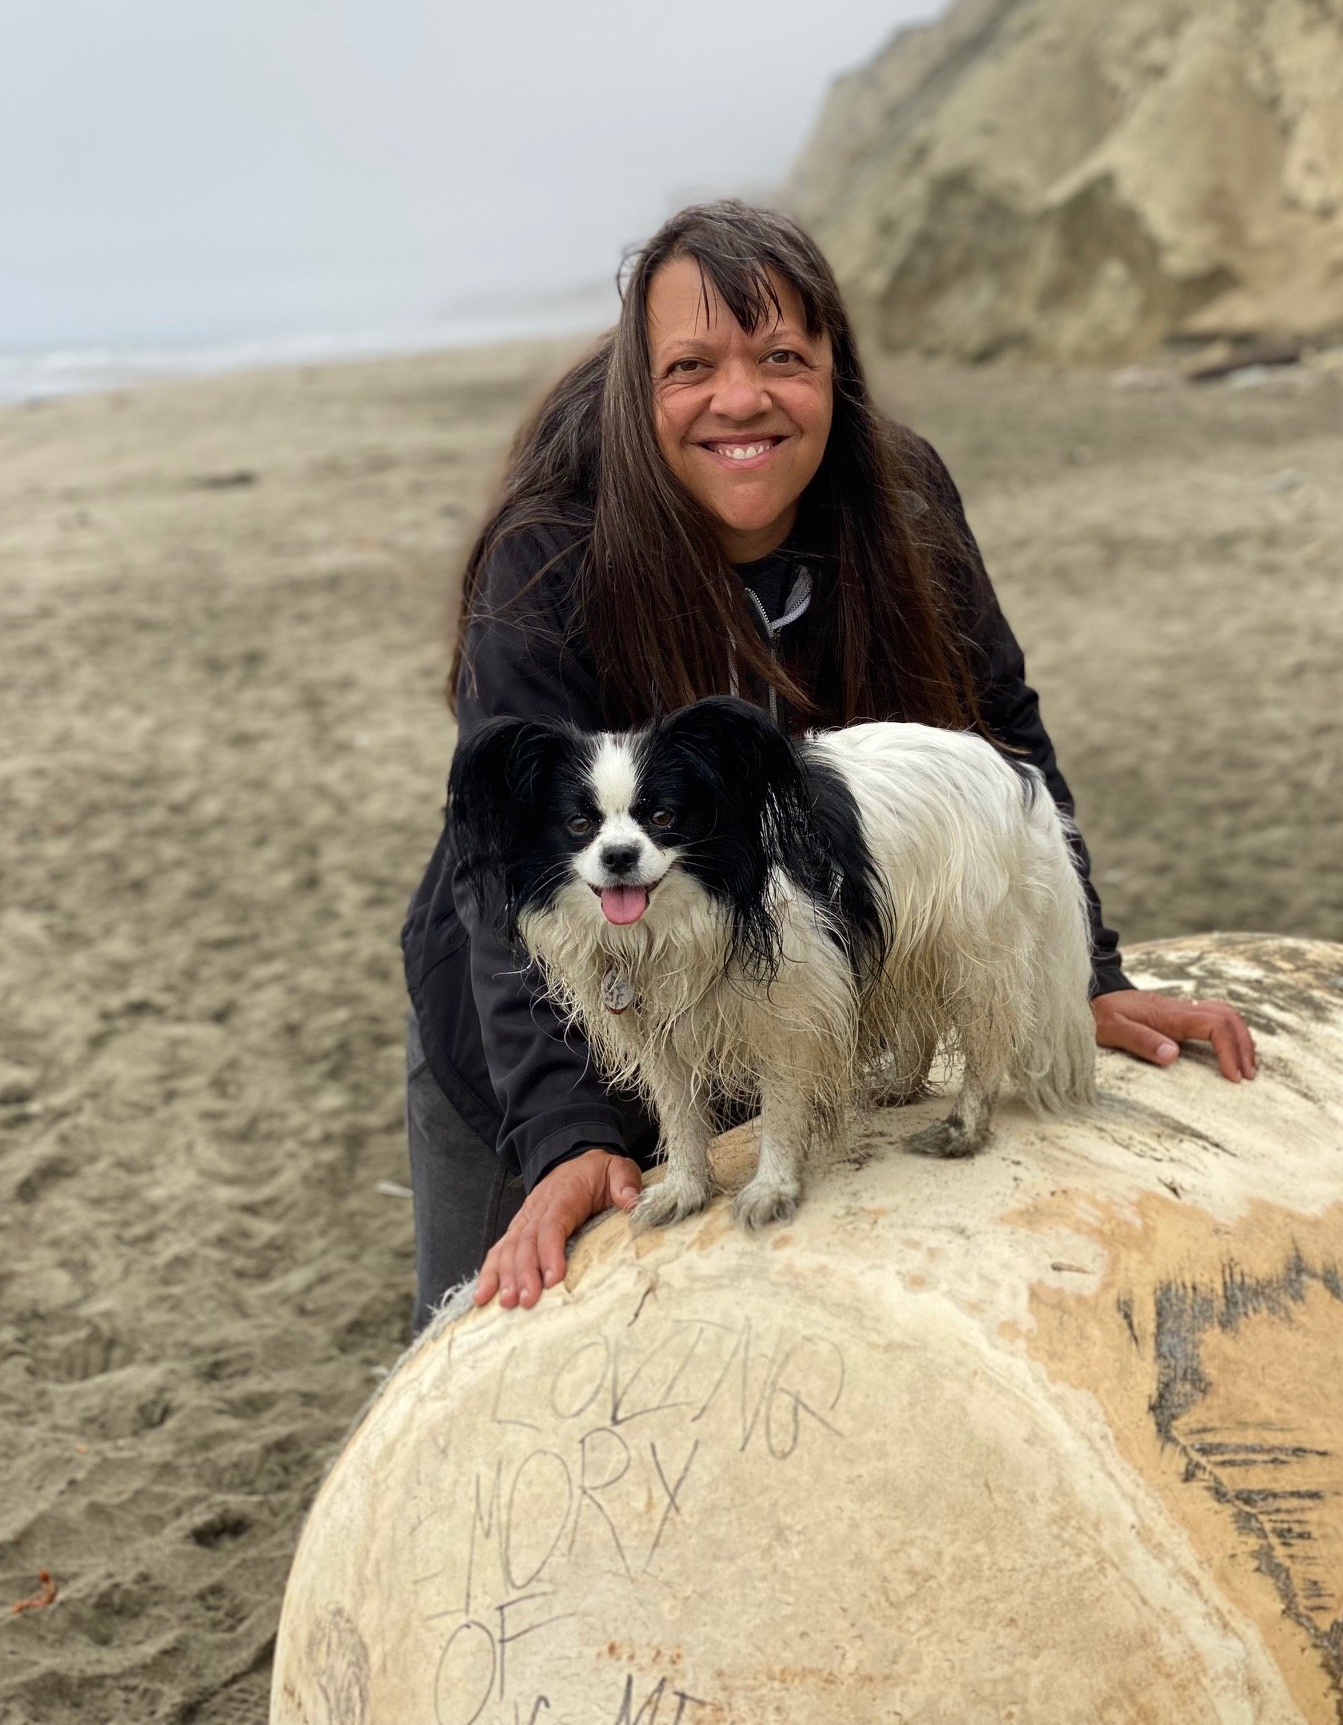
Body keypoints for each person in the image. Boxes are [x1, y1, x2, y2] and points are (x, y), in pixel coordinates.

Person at [399, 201, 1256, 1335]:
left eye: (782, 359)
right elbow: (500, 866)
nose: (741, 399)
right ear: (639, 390)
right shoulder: (550, 554)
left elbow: (1004, 742)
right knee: (496, 1348)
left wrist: (1085, 970)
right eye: (691, 367)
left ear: (834, 375)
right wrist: (562, 1131)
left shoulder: (902, 499)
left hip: (767, 981)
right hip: (533, 1025)